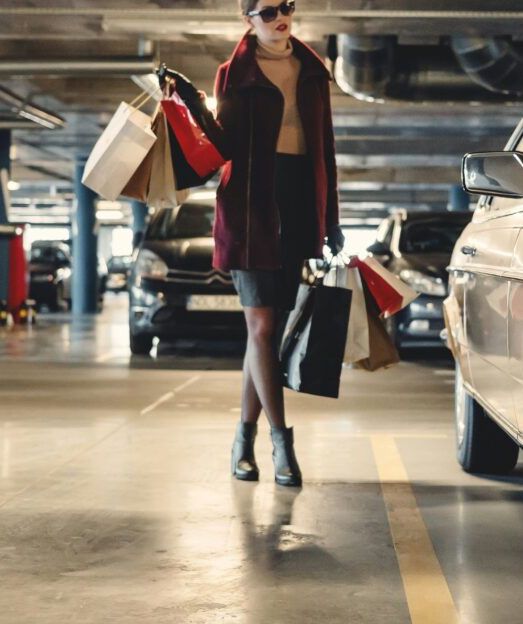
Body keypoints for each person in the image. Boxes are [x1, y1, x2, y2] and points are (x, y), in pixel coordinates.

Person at [164, 0, 342, 486]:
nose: (279, 17)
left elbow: (324, 146)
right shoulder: (234, 73)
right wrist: (190, 101)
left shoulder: (312, 69)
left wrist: (333, 221)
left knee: (266, 332)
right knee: (262, 327)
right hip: (249, 205)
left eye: (285, 7)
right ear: (248, 20)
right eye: (267, 12)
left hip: (300, 201)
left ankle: (242, 438)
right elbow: (221, 142)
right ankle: (281, 443)